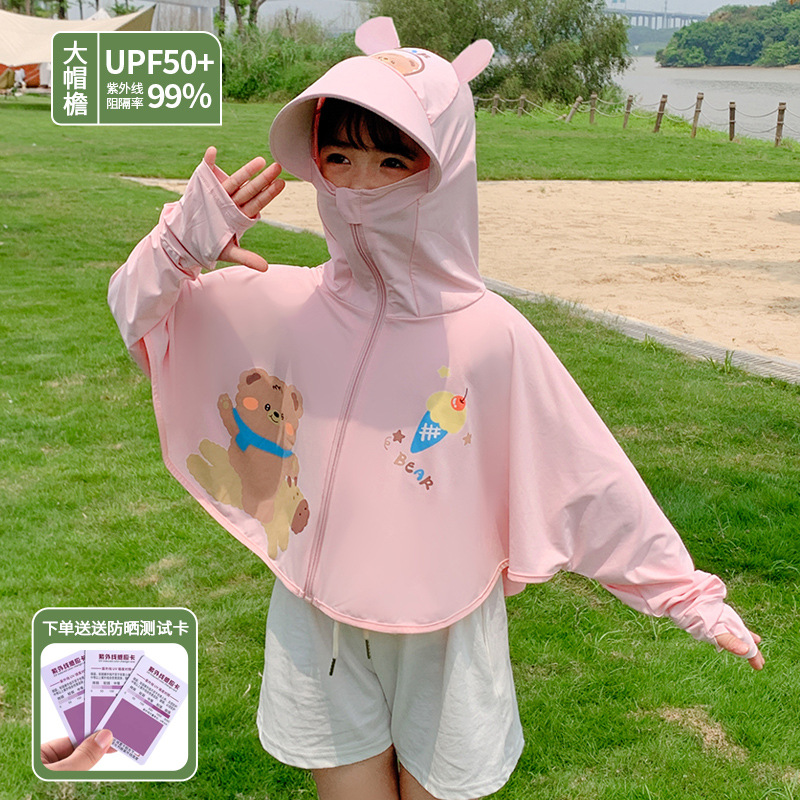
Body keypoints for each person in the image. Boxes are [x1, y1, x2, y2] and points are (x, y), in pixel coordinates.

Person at [108, 17, 763, 800]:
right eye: (339, 157)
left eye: (393, 160)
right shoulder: (286, 302)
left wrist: (686, 595)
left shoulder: (489, 335)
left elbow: (586, 473)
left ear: (444, 169)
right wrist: (179, 245)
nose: (359, 185)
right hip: (317, 612)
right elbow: (140, 318)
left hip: (447, 627)